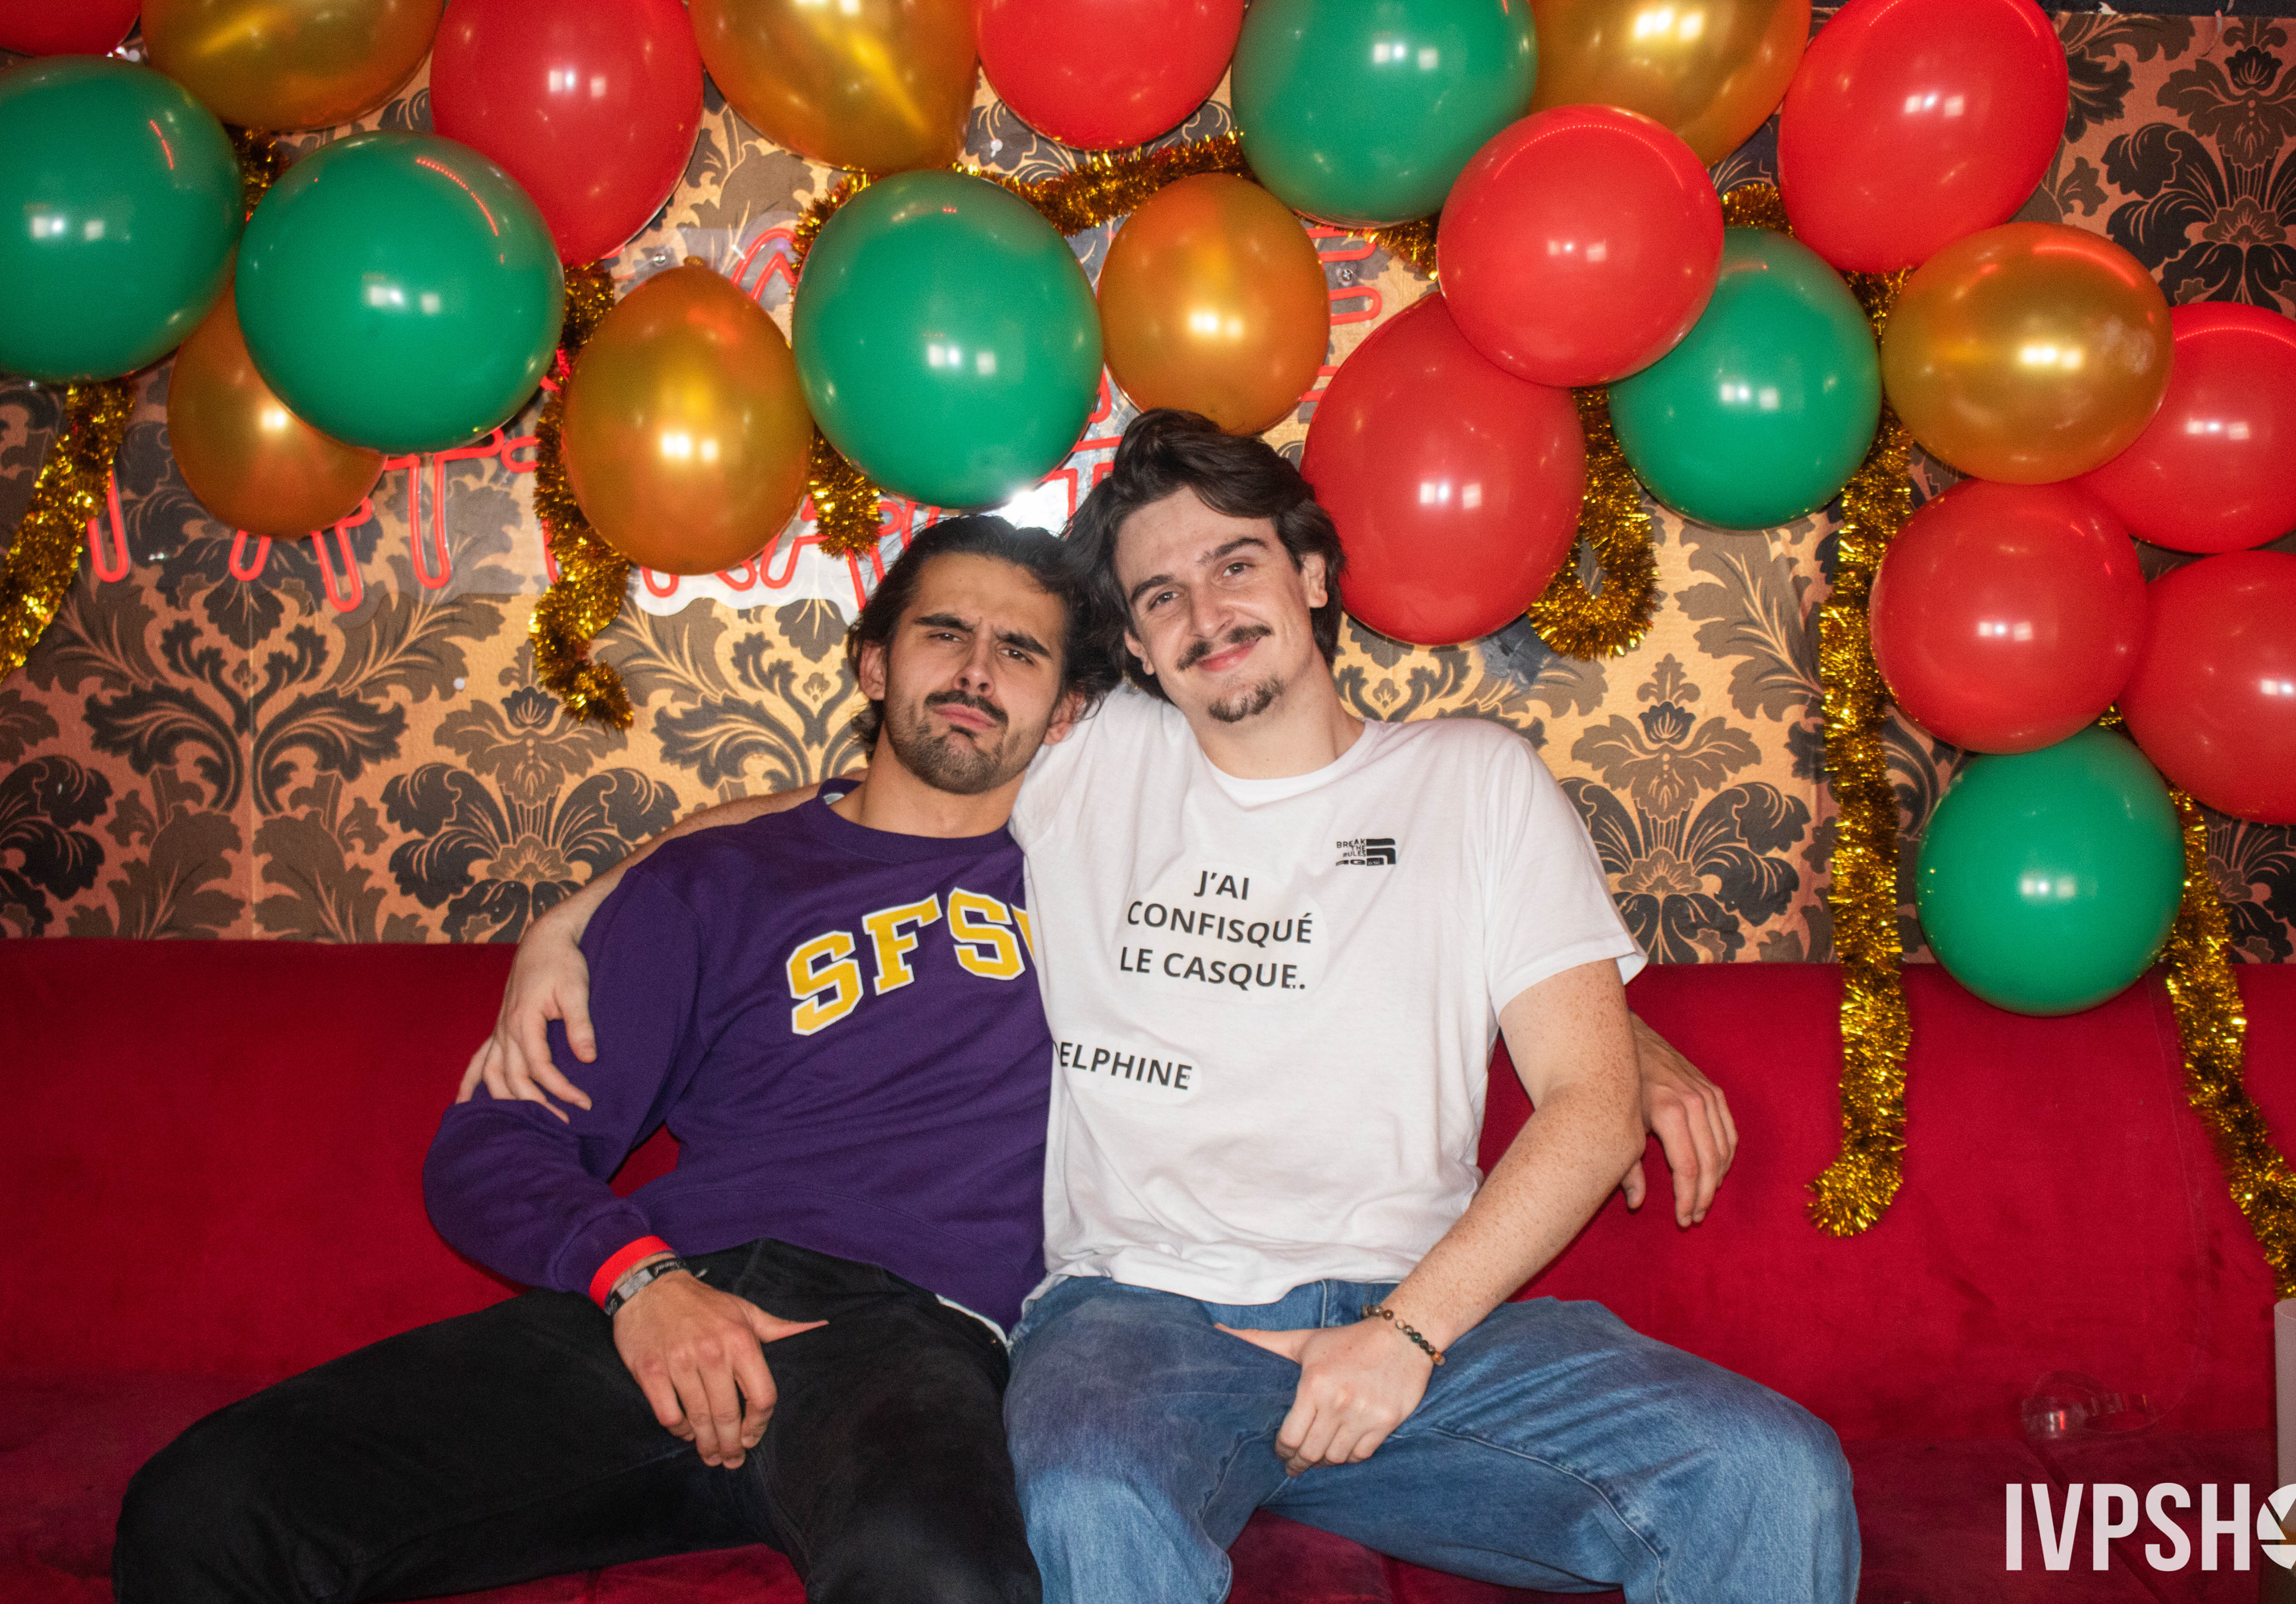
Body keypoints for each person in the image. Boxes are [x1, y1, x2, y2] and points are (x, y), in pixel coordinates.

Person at [473, 411, 1860, 1602]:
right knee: (1083, 1495)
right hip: (1137, 1324)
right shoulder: (1090, 761)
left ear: (1311, 576)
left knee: (1768, 1468)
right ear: (1133, 650)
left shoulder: (1478, 780)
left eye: (1235, 563)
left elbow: (1587, 1103)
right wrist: (579, 911)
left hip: (1424, 1317)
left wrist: (1407, 1332)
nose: (1205, 613)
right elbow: (855, 806)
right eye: (1158, 596)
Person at [113, 516, 1119, 1604]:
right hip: (672, 1296)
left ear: (1066, 710)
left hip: (909, 1342)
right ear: (875, 664)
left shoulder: (1100, 881)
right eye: (945, 632)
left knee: (944, 1584)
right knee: (207, 1505)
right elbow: (495, 1145)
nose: (976, 671)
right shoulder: (712, 884)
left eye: (1020, 651)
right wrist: (640, 1281)